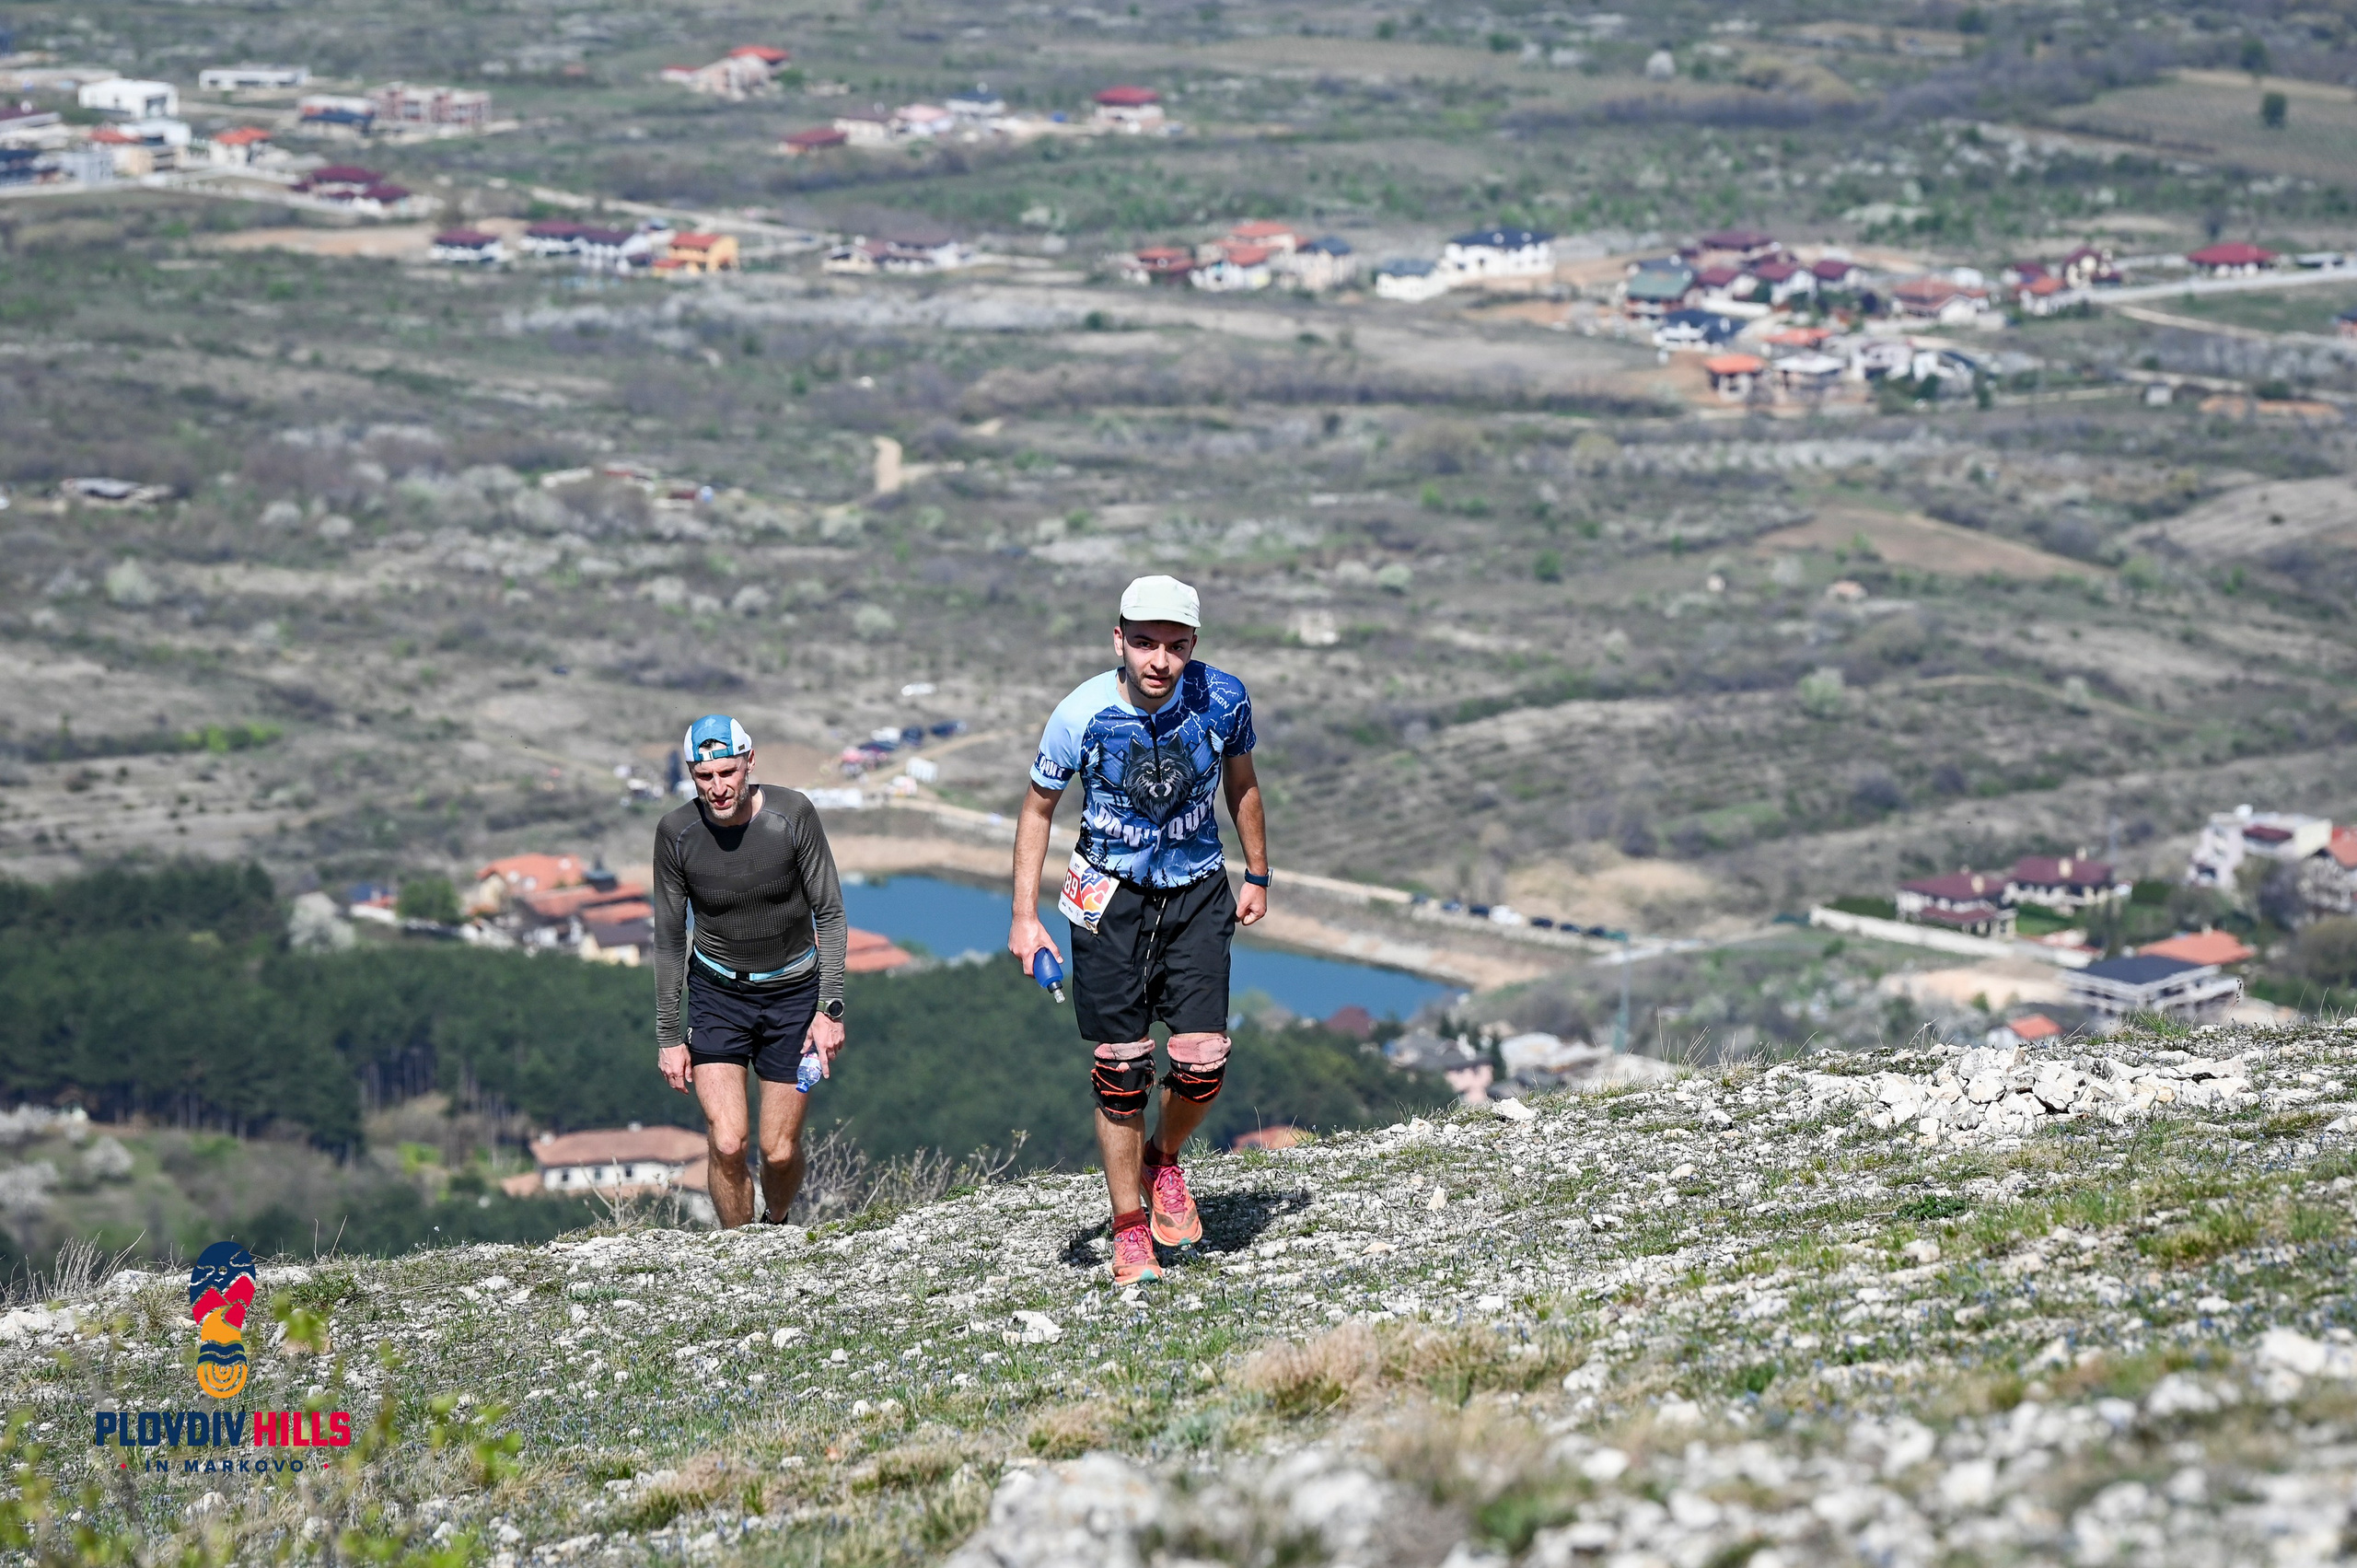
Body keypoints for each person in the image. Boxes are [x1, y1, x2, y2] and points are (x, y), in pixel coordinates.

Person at [1008, 575, 1270, 1286]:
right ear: (1118, 638)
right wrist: (1024, 916)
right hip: (1107, 897)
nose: (1159, 659)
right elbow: (1038, 810)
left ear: (1193, 647)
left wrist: (1259, 872)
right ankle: (1129, 1232)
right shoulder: (1081, 713)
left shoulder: (1224, 699)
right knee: (1122, 1072)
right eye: (1145, 643)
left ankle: (1162, 1159)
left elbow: (1241, 782)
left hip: (1195, 890)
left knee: (1202, 1064)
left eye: (1176, 646)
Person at [652, 714, 848, 1229]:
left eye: (727, 772)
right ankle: (738, 1252)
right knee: (728, 1141)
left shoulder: (792, 815)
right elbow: (671, 937)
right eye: (704, 776)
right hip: (718, 994)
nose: (718, 788)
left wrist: (830, 1010)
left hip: (793, 994)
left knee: (779, 1152)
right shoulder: (677, 834)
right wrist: (669, 1036)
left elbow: (829, 912)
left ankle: (775, 1224)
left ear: (749, 763)